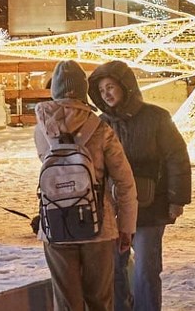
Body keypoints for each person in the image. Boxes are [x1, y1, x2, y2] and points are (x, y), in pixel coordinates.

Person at [35, 60, 137, 311]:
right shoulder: (101, 128)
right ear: (83, 91)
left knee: (66, 302)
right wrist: (126, 227)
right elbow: (124, 181)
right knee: (100, 301)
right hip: (98, 225)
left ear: (54, 90)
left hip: (55, 224)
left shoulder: (41, 127)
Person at [88, 61, 191, 311]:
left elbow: (176, 157)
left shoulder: (156, 117)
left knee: (146, 269)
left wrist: (177, 199)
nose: (107, 94)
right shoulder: (100, 124)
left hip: (150, 207)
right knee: (113, 268)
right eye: (101, 91)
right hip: (113, 210)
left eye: (111, 87)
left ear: (126, 86)